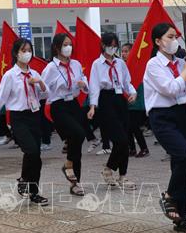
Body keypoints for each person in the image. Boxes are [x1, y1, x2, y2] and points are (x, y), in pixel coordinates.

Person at [144, 23, 186, 233]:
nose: (174, 40)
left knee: (180, 165)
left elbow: (184, 91)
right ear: (158, 41)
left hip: (181, 115)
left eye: (176, 36)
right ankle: (168, 197)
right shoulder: (153, 65)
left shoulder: (180, 62)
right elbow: (170, 89)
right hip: (162, 117)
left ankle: (180, 217)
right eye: (169, 36)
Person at [0, 38, 49, 206]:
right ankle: (25, 179)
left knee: (36, 156)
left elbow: (45, 94)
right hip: (18, 118)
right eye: (23, 50)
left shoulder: (34, 74)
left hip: (34, 116)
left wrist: (39, 82)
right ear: (16, 53)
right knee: (31, 151)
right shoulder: (10, 76)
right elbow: (0, 100)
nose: (27, 53)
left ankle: (33, 191)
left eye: (29, 50)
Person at [87, 32, 138, 190]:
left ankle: (122, 176)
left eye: (115, 45)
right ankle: (108, 169)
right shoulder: (97, 64)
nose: (113, 48)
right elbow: (94, 85)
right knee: (120, 140)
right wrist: (92, 106)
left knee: (125, 140)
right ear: (103, 45)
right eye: (111, 45)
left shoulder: (120, 63)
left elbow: (126, 81)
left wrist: (133, 92)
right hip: (105, 100)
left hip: (120, 100)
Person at [41, 33, 88, 196]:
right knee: (78, 134)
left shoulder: (76, 64)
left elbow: (84, 81)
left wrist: (84, 85)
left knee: (77, 142)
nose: (69, 48)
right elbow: (43, 90)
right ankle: (68, 164)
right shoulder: (50, 68)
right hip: (58, 106)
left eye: (70, 44)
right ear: (56, 47)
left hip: (74, 104)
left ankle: (76, 182)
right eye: (65, 45)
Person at [121, 43, 149, 158]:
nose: (123, 54)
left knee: (134, 126)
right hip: (126, 100)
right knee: (127, 126)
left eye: (126, 51)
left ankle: (144, 148)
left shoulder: (137, 66)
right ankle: (131, 148)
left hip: (136, 101)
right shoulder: (122, 65)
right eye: (122, 51)